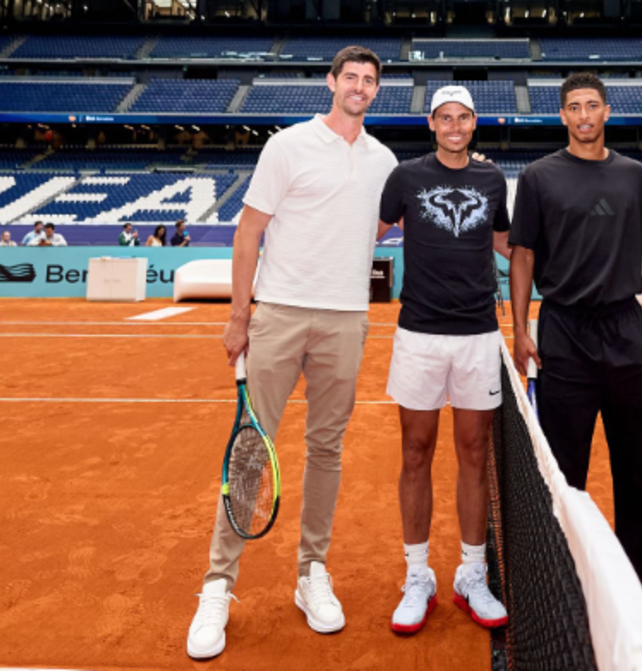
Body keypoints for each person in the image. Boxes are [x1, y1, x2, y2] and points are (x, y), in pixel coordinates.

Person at [186, 46, 398, 661]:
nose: (358, 87)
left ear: (377, 91)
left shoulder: (384, 161)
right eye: (350, 78)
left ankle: (312, 573)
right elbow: (249, 231)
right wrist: (238, 315)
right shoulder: (286, 145)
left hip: (347, 320)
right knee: (254, 446)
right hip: (278, 314)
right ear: (332, 83)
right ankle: (218, 585)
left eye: (369, 80)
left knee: (327, 449)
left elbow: (375, 228)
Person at [509, 72, 642, 636]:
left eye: (592, 106)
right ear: (562, 115)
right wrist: (520, 328)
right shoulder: (538, 177)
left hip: (626, 328)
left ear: (606, 111)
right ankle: (566, 582)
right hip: (563, 331)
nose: (584, 115)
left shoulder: (637, 175)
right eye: (573, 107)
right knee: (564, 470)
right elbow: (524, 255)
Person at [377, 85, 511, 635]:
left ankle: (472, 573)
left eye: (463, 118)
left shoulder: (493, 179)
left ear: (473, 123)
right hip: (419, 333)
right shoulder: (405, 178)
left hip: (478, 332)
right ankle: (417, 575)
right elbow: (369, 233)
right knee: (415, 451)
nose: (454, 126)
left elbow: (508, 244)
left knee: (475, 452)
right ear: (432, 124)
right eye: (444, 118)